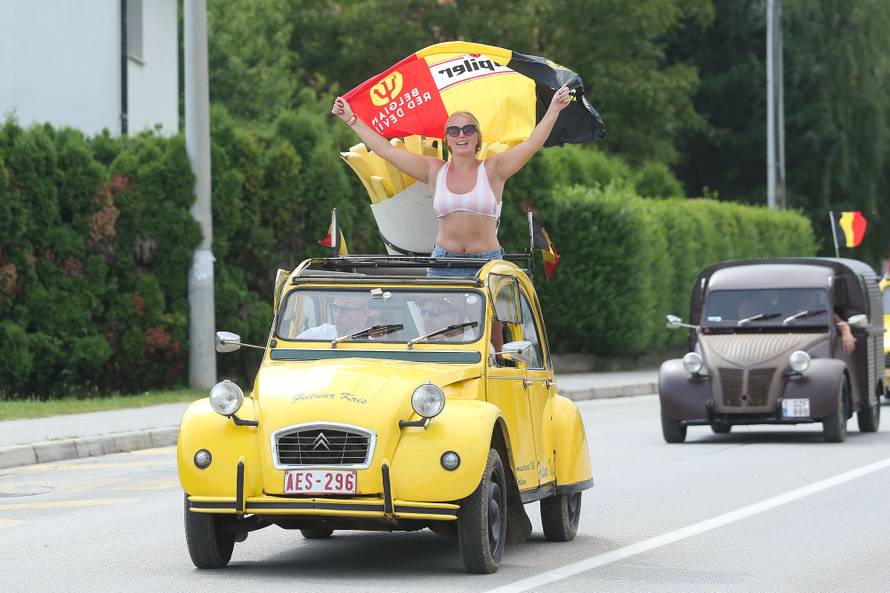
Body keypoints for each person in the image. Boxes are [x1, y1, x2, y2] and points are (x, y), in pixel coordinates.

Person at [332, 85, 573, 276]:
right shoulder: (434, 170)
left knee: (494, 328)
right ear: (446, 139)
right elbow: (387, 151)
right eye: (454, 131)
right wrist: (351, 119)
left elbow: (531, 144)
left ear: (478, 138)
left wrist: (553, 110)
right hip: (443, 262)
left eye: (468, 130)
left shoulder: (494, 169)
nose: (461, 135)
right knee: (440, 330)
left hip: (486, 263)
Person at [297, 296, 371, 340]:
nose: (338, 315)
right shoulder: (318, 336)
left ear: (365, 313)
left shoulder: (376, 343)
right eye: (335, 308)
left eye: (346, 309)